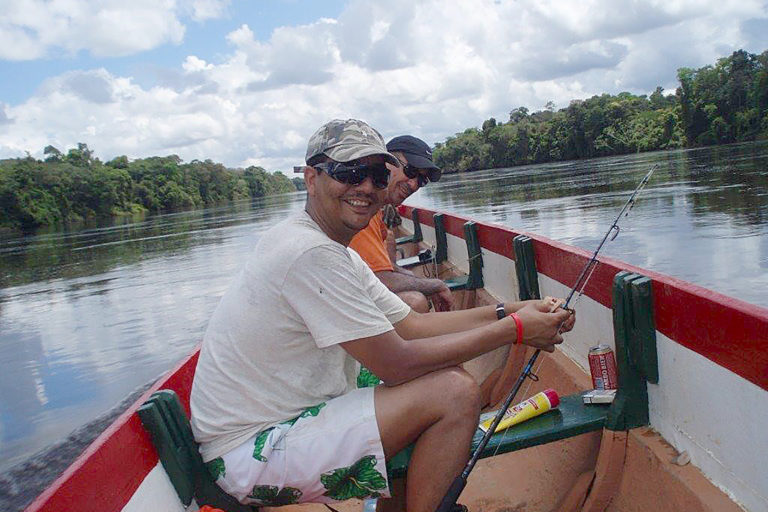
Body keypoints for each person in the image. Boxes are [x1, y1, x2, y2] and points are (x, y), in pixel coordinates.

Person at [189, 119, 574, 512]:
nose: (366, 187)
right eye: (349, 172)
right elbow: (397, 363)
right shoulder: (310, 252)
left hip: (276, 426)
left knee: (438, 370)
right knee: (453, 392)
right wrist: (515, 330)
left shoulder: (331, 247)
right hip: (250, 453)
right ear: (311, 179)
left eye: (376, 175)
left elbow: (414, 326)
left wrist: (511, 310)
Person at [349, 135, 451, 313]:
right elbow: (380, 279)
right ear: (385, 162)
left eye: (422, 180)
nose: (414, 185)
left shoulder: (376, 210)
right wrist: (435, 285)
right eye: (411, 171)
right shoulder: (362, 208)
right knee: (415, 302)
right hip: (345, 300)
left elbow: (384, 270)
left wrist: (416, 279)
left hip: (354, 290)